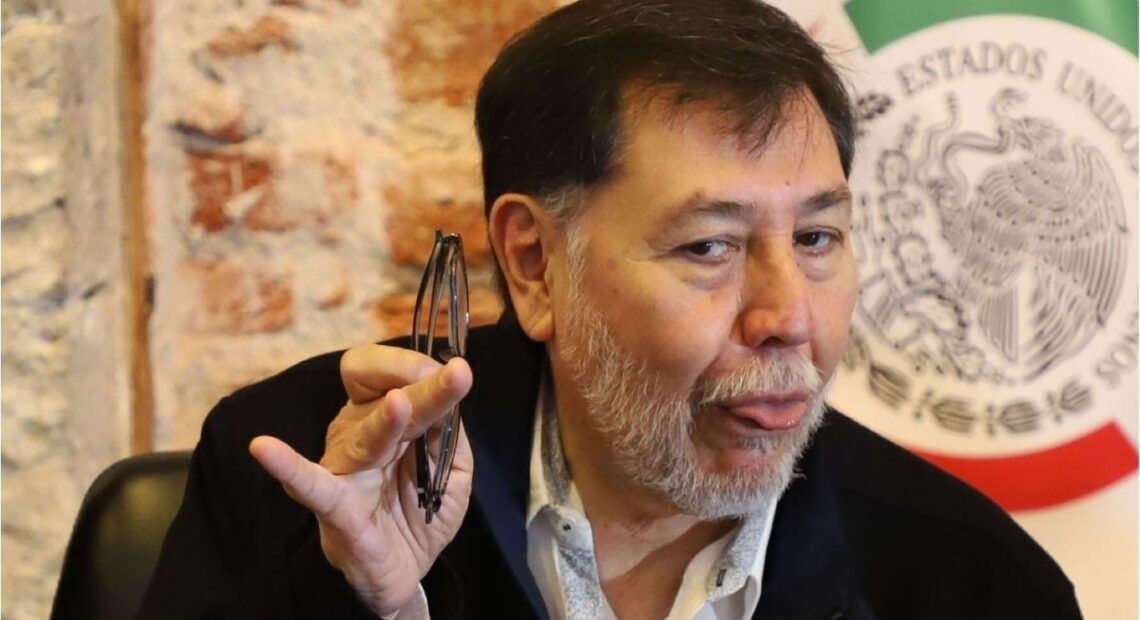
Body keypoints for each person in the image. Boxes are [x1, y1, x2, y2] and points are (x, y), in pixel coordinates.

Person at [139, 1, 1082, 618]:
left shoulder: (971, 583)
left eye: (817, 237)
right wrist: (362, 605)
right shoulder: (301, 481)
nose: (790, 317)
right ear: (535, 263)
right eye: (709, 246)